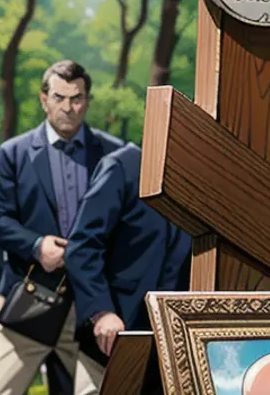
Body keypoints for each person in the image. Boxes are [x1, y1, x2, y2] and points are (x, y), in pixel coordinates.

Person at [0, 61, 123, 395]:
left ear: (87, 101)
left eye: (77, 99)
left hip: (93, 305)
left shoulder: (114, 154)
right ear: (44, 99)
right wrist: (36, 245)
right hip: (31, 299)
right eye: (60, 97)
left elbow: (129, 227)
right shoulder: (14, 153)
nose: (68, 107)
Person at [65, 143, 192, 358]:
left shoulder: (202, 183)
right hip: (113, 334)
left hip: (175, 343)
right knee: (96, 393)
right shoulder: (122, 166)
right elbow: (82, 248)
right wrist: (102, 312)